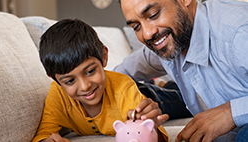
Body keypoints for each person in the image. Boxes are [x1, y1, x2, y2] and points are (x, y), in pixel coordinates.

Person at [115, 0, 248, 141]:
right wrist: (138, 112)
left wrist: (231, 112)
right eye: (136, 27)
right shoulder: (164, 43)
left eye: (153, 15)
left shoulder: (239, 32)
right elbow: (115, 77)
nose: (147, 34)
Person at [32, 18, 169, 142]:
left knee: (177, 98)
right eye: (69, 81)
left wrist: (150, 126)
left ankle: (162, 84)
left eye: (90, 71)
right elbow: (44, 133)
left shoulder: (123, 88)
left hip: (148, 96)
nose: (85, 86)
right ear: (56, 80)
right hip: (130, 88)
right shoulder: (58, 95)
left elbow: (152, 131)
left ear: (103, 56)